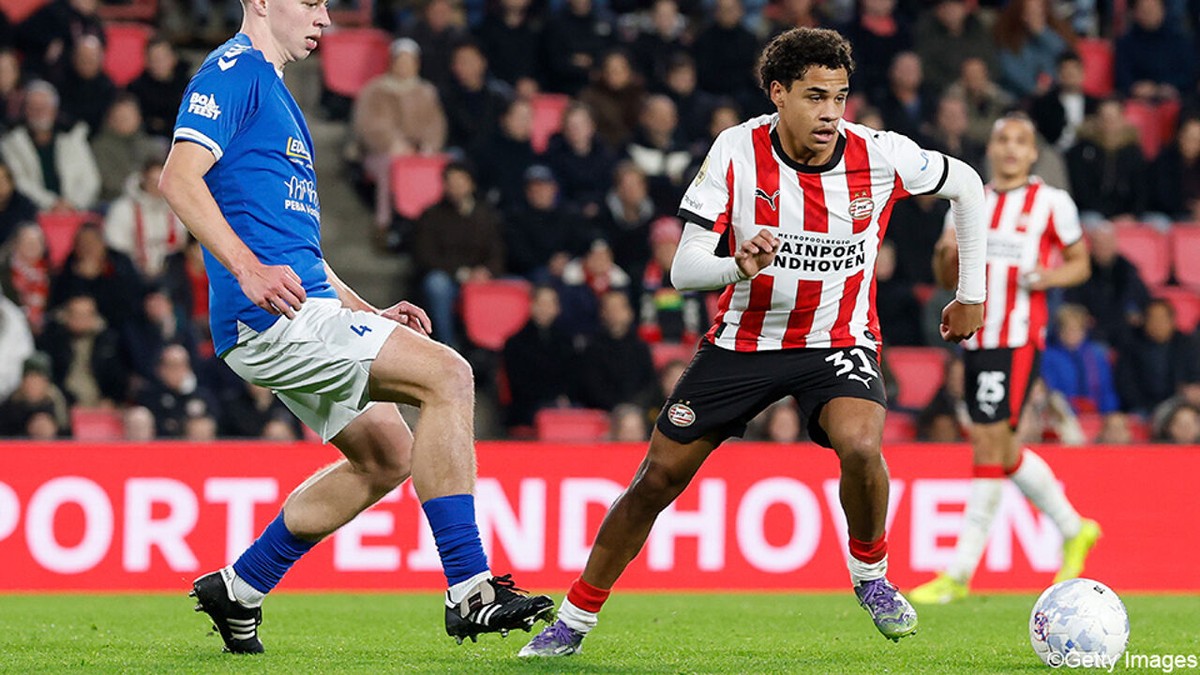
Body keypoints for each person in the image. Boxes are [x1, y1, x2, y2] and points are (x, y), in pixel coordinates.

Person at [520, 28, 988, 657]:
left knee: (861, 443)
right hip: (743, 343)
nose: (829, 113)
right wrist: (737, 265)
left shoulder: (881, 154)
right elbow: (684, 270)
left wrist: (971, 292)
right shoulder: (737, 150)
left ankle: (871, 574)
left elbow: (968, 186)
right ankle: (573, 620)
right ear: (778, 94)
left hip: (837, 340)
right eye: (815, 97)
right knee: (656, 479)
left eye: (840, 97)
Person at [159, 0, 552, 655]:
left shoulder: (276, 93)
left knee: (387, 455)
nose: (325, 16)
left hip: (297, 308)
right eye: (309, 1)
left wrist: (363, 312)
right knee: (449, 375)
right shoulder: (233, 70)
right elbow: (178, 178)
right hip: (273, 314)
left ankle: (240, 586)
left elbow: (304, 257)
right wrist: (248, 267)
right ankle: (471, 589)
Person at [909, 113, 1099, 606]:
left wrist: (1049, 277)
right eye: (1003, 141)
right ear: (991, 148)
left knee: (987, 449)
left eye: (1021, 141)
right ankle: (1074, 528)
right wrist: (945, 256)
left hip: (1015, 340)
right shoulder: (969, 200)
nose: (1012, 149)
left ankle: (959, 572)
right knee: (1004, 450)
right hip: (974, 340)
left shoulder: (1053, 204)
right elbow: (942, 269)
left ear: (1034, 153)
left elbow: (1081, 264)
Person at [0, 80, 101, 211]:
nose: (40, 111)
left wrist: (72, 205)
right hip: (32, 211)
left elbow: (90, 180)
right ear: (25, 110)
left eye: (45, 106)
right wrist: (53, 204)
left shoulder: (73, 138)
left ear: (54, 110)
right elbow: (19, 182)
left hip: (77, 210)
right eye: (34, 107)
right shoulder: (11, 143)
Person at [104, 159, 188, 282]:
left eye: (161, 181)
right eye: (153, 182)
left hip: (170, 273)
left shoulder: (178, 208)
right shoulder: (123, 209)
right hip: (131, 274)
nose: (157, 187)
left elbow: (181, 242)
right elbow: (117, 246)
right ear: (143, 179)